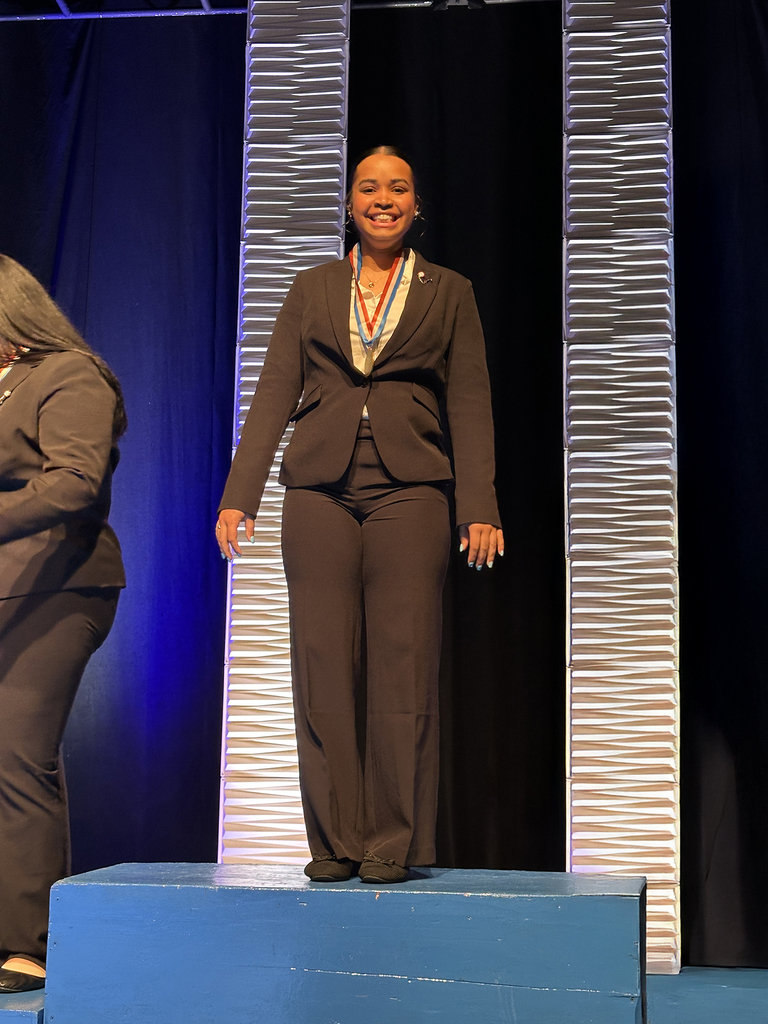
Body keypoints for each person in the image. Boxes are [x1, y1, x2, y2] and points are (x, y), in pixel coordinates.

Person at [216, 146, 503, 884]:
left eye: (398, 187)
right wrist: (239, 494)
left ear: (416, 204)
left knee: (403, 667)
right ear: (349, 203)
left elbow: (469, 400)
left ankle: (389, 843)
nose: (384, 198)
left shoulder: (449, 291)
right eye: (369, 188)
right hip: (319, 491)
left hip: (410, 491)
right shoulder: (313, 287)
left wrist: (478, 505)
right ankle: (335, 841)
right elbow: (276, 389)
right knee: (321, 665)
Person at [0, 255, 126, 993]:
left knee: (18, 750)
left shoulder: (69, 374)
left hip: (61, 587)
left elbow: (75, 480)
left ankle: (28, 944)